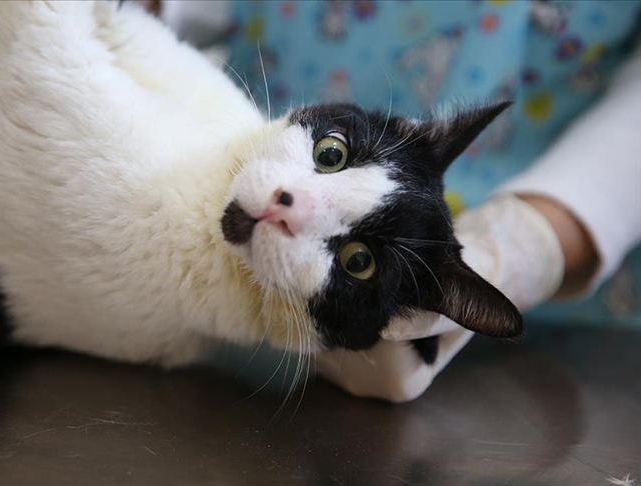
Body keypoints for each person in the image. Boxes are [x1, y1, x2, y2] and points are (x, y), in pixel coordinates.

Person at [155, 0, 641, 401]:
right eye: (330, 156)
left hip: (551, 335)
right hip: (235, 131)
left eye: (358, 260)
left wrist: (528, 244)